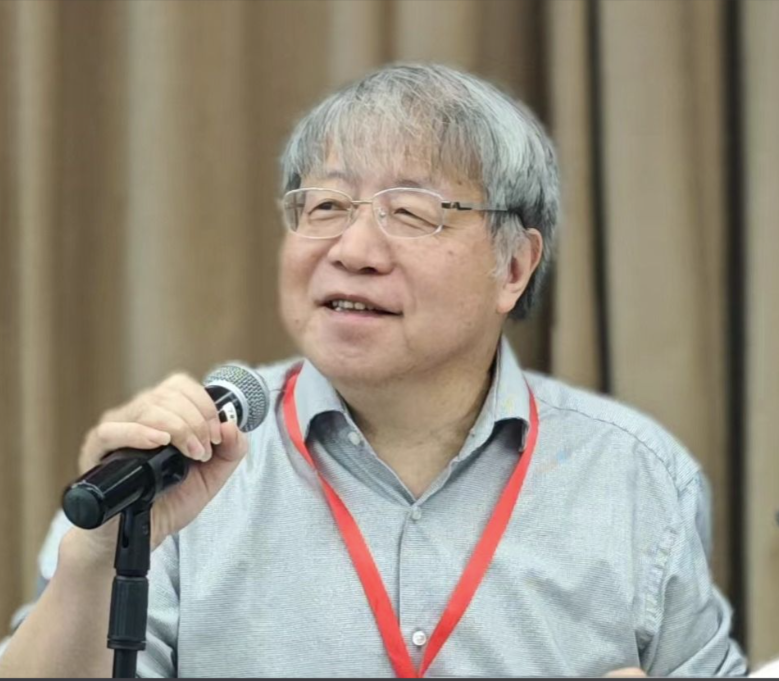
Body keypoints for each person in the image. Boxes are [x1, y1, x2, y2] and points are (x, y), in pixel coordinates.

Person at [0, 63, 747, 678]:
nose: (353, 249)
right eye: (325, 205)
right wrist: (96, 556)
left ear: (514, 266)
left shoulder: (635, 476)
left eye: (411, 212)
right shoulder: (181, 468)